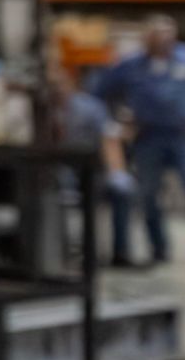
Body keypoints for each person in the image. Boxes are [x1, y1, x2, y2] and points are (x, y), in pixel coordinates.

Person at [94, 14, 185, 269]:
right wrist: (115, 122)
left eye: (167, 33)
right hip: (148, 137)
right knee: (148, 195)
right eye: (156, 34)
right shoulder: (131, 65)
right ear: (147, 38)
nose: (162, 39)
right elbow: (100, 90)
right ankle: (159, 249)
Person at [53, 67, 135, 266]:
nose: (57, 90)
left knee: (121, 191)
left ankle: (120, 252)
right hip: (55, 170)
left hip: (90, 170)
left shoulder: (90, 107)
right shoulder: (41, 110)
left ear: (71, 84)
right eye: (52, 87)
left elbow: (109, 140)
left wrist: (117, 172)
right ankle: (65, 252)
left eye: (60, 85)